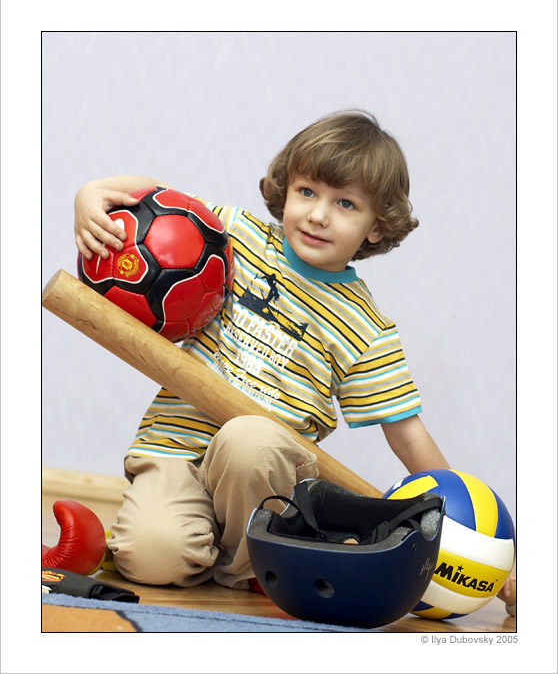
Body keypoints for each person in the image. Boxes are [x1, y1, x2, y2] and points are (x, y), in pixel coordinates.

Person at [74, 110, 452, 592]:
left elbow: (409, 436)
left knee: (250, 438)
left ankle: (254, 561)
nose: (318, 214)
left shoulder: (367, 328)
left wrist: (459, 521)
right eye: (307, 192)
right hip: (174, 451)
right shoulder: (234, 236)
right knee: (153, 559)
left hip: (262, 476)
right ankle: (198, 546)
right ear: (285, 189)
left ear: (376, 227)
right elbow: (156, 199)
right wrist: (92, 194)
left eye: (345, 204)